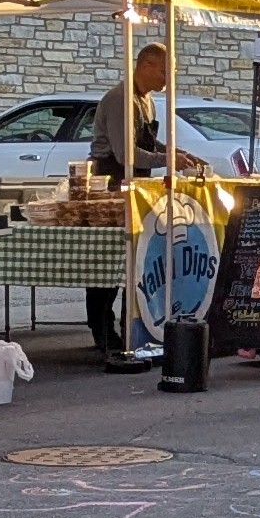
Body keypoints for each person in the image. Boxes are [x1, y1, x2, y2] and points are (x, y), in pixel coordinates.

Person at [89, 43, 203, 362]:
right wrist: (170, 160)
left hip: (138, 188)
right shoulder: (121, 100)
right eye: (165, 71)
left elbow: (149, 144)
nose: (169, 78)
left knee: (136, 260)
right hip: (112, 185)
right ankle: (102, 331)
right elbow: (127, 155)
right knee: (109, 264)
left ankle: (130, 326)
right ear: (147, 65)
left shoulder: (147, 101)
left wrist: (176, 154)